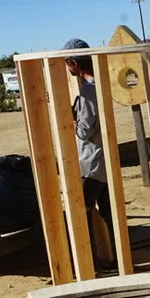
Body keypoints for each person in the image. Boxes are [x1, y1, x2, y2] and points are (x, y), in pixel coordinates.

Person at [63, 38, 116, 268]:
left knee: (80, 212)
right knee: (108, 212)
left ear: (74, 64)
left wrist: (68, 116)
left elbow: (84, 130)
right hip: (104, 161)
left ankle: (90, 263)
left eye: (67, 64)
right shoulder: (100, 85)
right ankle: (115, 257)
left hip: (91, 163)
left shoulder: (88, 91)